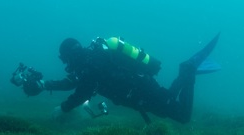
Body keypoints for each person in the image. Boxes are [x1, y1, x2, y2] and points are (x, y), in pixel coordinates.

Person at [13, 33, 220, 124]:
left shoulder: (89, 64)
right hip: (140, 91)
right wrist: (43, 85)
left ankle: (188, 70)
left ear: (67, 55)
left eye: (64, 58)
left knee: (181, 116)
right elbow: (72, 82)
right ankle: (186, 74)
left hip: (141, 91)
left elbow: (81, 91)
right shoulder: (91, 59)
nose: (65, 63)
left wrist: (63, 109)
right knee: (169, 104)